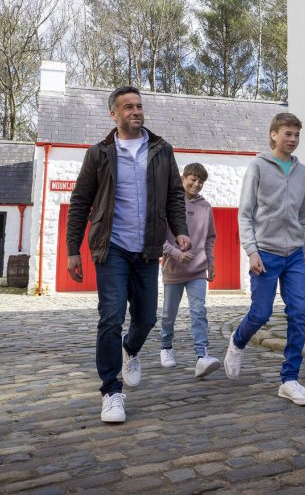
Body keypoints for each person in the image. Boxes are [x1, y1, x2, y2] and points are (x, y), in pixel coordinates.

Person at [66, 85, 191, 424]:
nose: (136, 111)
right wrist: (72, 250)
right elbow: (79, 203)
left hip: (148, 249)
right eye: (128, 107)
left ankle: (130, 350)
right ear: (114, 114)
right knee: (110, 317)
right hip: (113, 247)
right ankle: (111, 391)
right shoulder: (100, 153)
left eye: (139, 106)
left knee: (147, 317)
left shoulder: (162, 150)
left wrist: (179, 230)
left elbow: (174, 196)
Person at [224, 112, 305, 406]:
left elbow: (304, 215)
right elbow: (246, 213)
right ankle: (237, 341)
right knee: (261, 313)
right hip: (265, 254)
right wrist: (251, 251)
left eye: (296, 135)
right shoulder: (258, 167)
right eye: (287, 133)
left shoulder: (303, 173)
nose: (292, 139)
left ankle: (289, 379)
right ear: (274, 134)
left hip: (295, 256)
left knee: (299, 311)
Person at [158, 162, 221, 379]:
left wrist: (210, 262)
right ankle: (166, 347)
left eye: (201, 181)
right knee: (169, 314)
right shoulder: (170, 203)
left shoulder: (206, 207)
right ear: (184, 178)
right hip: (173, 269)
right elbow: (159, 237)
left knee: (198, 311)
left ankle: (201, 355)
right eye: (193, 179)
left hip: (197, 270)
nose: (196, 184)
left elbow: (210, 238)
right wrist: (176, 254)